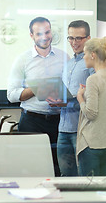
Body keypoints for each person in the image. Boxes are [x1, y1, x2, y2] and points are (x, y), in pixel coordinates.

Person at [7, 17, 69, 177]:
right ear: (31, 35)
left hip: (59, 122)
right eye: (39, 33)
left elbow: (71, 91)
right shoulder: (22, 60)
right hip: (31, 122)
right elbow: (11, 95)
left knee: (58, 169)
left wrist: (63, 101)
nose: (45, 36)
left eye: (47, 32)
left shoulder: (64, 58)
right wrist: (36, 88)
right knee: (30, 170)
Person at [50, 20, 95, 176]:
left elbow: (94, 95)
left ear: (88, 38)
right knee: (66, 175)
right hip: (63, 129)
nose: (73, 42)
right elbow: (66, 93)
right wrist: (57, 101)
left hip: (81, 129)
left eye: (78, 38)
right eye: (70, 38)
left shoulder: (92, 63)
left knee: (85, 176)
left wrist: (71, 100)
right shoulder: (68, 64)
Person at [76, 36, 106, 176]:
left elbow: (91, 113)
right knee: (103, 189)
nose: (83, 57)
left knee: (88, 191)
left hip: (92, 144)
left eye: (84, 53)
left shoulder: (93, 79)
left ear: (93, 55)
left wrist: (80, 98)